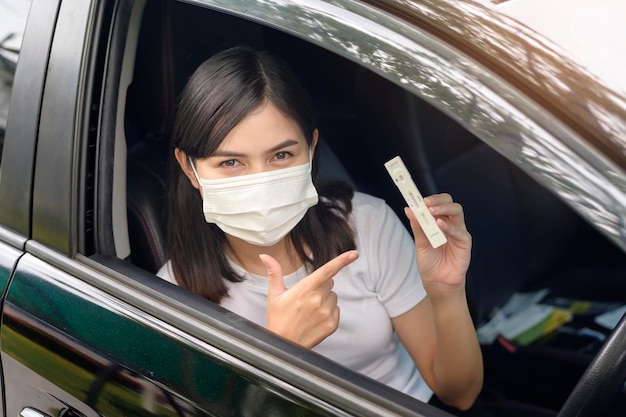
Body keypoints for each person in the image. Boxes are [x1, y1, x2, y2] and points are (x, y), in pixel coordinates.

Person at [157, 45, 483, 410]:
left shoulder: (367, 225)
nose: (262, 182)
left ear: (311, 149)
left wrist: (446, 292)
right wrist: (278, 350)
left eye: (282, 155)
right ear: (191, 169)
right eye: (231, 162)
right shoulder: (175, 291)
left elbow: (460, 393)